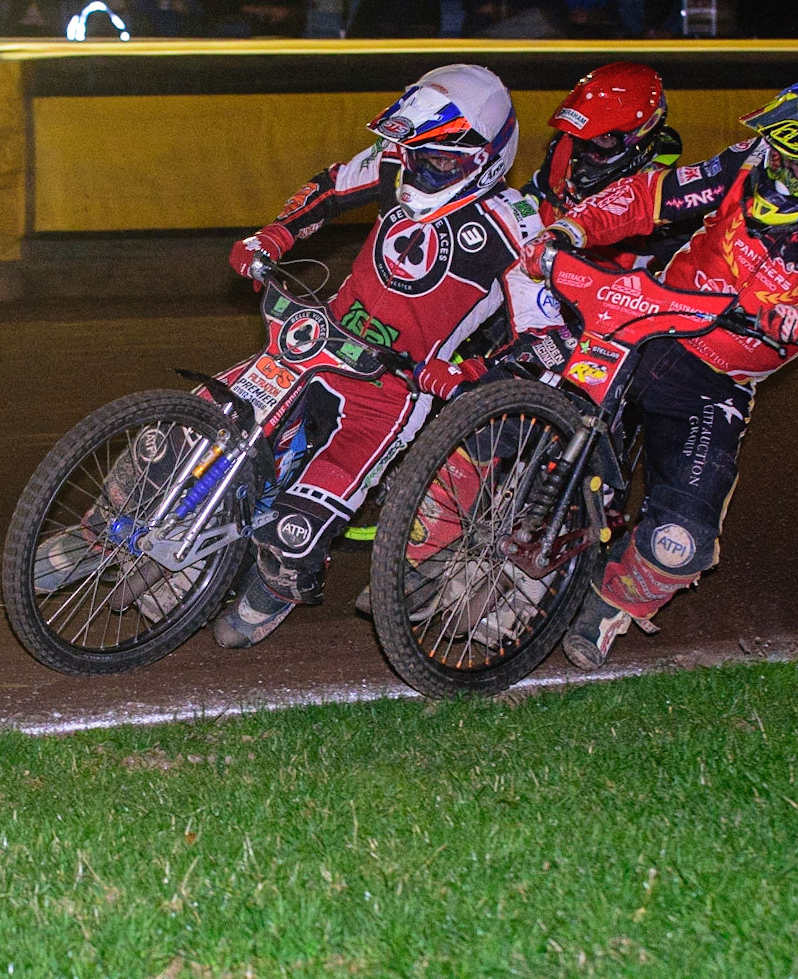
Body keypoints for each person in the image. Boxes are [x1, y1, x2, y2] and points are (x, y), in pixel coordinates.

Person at [518, 68, 798, 669]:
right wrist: (574, 225)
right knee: (508, 383)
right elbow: (653, 195)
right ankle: (430, 542)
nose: (777, 171)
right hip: (642, 319)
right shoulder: (748, 162)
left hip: (715, 379)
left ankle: (605, 602)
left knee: (680, 544)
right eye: (780, 152)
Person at [212, 65, 554, 647]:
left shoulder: (517, 223)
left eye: (439, 161)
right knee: (205, 423)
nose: (417, 169)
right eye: (414, 153)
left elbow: (546, 339)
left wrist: (467, 374)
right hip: (316, 341)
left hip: (393, 388)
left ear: (487, 156)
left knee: (302, 525)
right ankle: (104, 530)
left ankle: (280, 581)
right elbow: (330, 186)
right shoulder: (398, 160)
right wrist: (272, 235)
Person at [525, 61, 684, 269]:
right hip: (537, 267)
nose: (586, 150)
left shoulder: (664, 197)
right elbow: (535, 193)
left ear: (638, 138)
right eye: (582, 135)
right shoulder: (568, 143)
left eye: (605, 138)